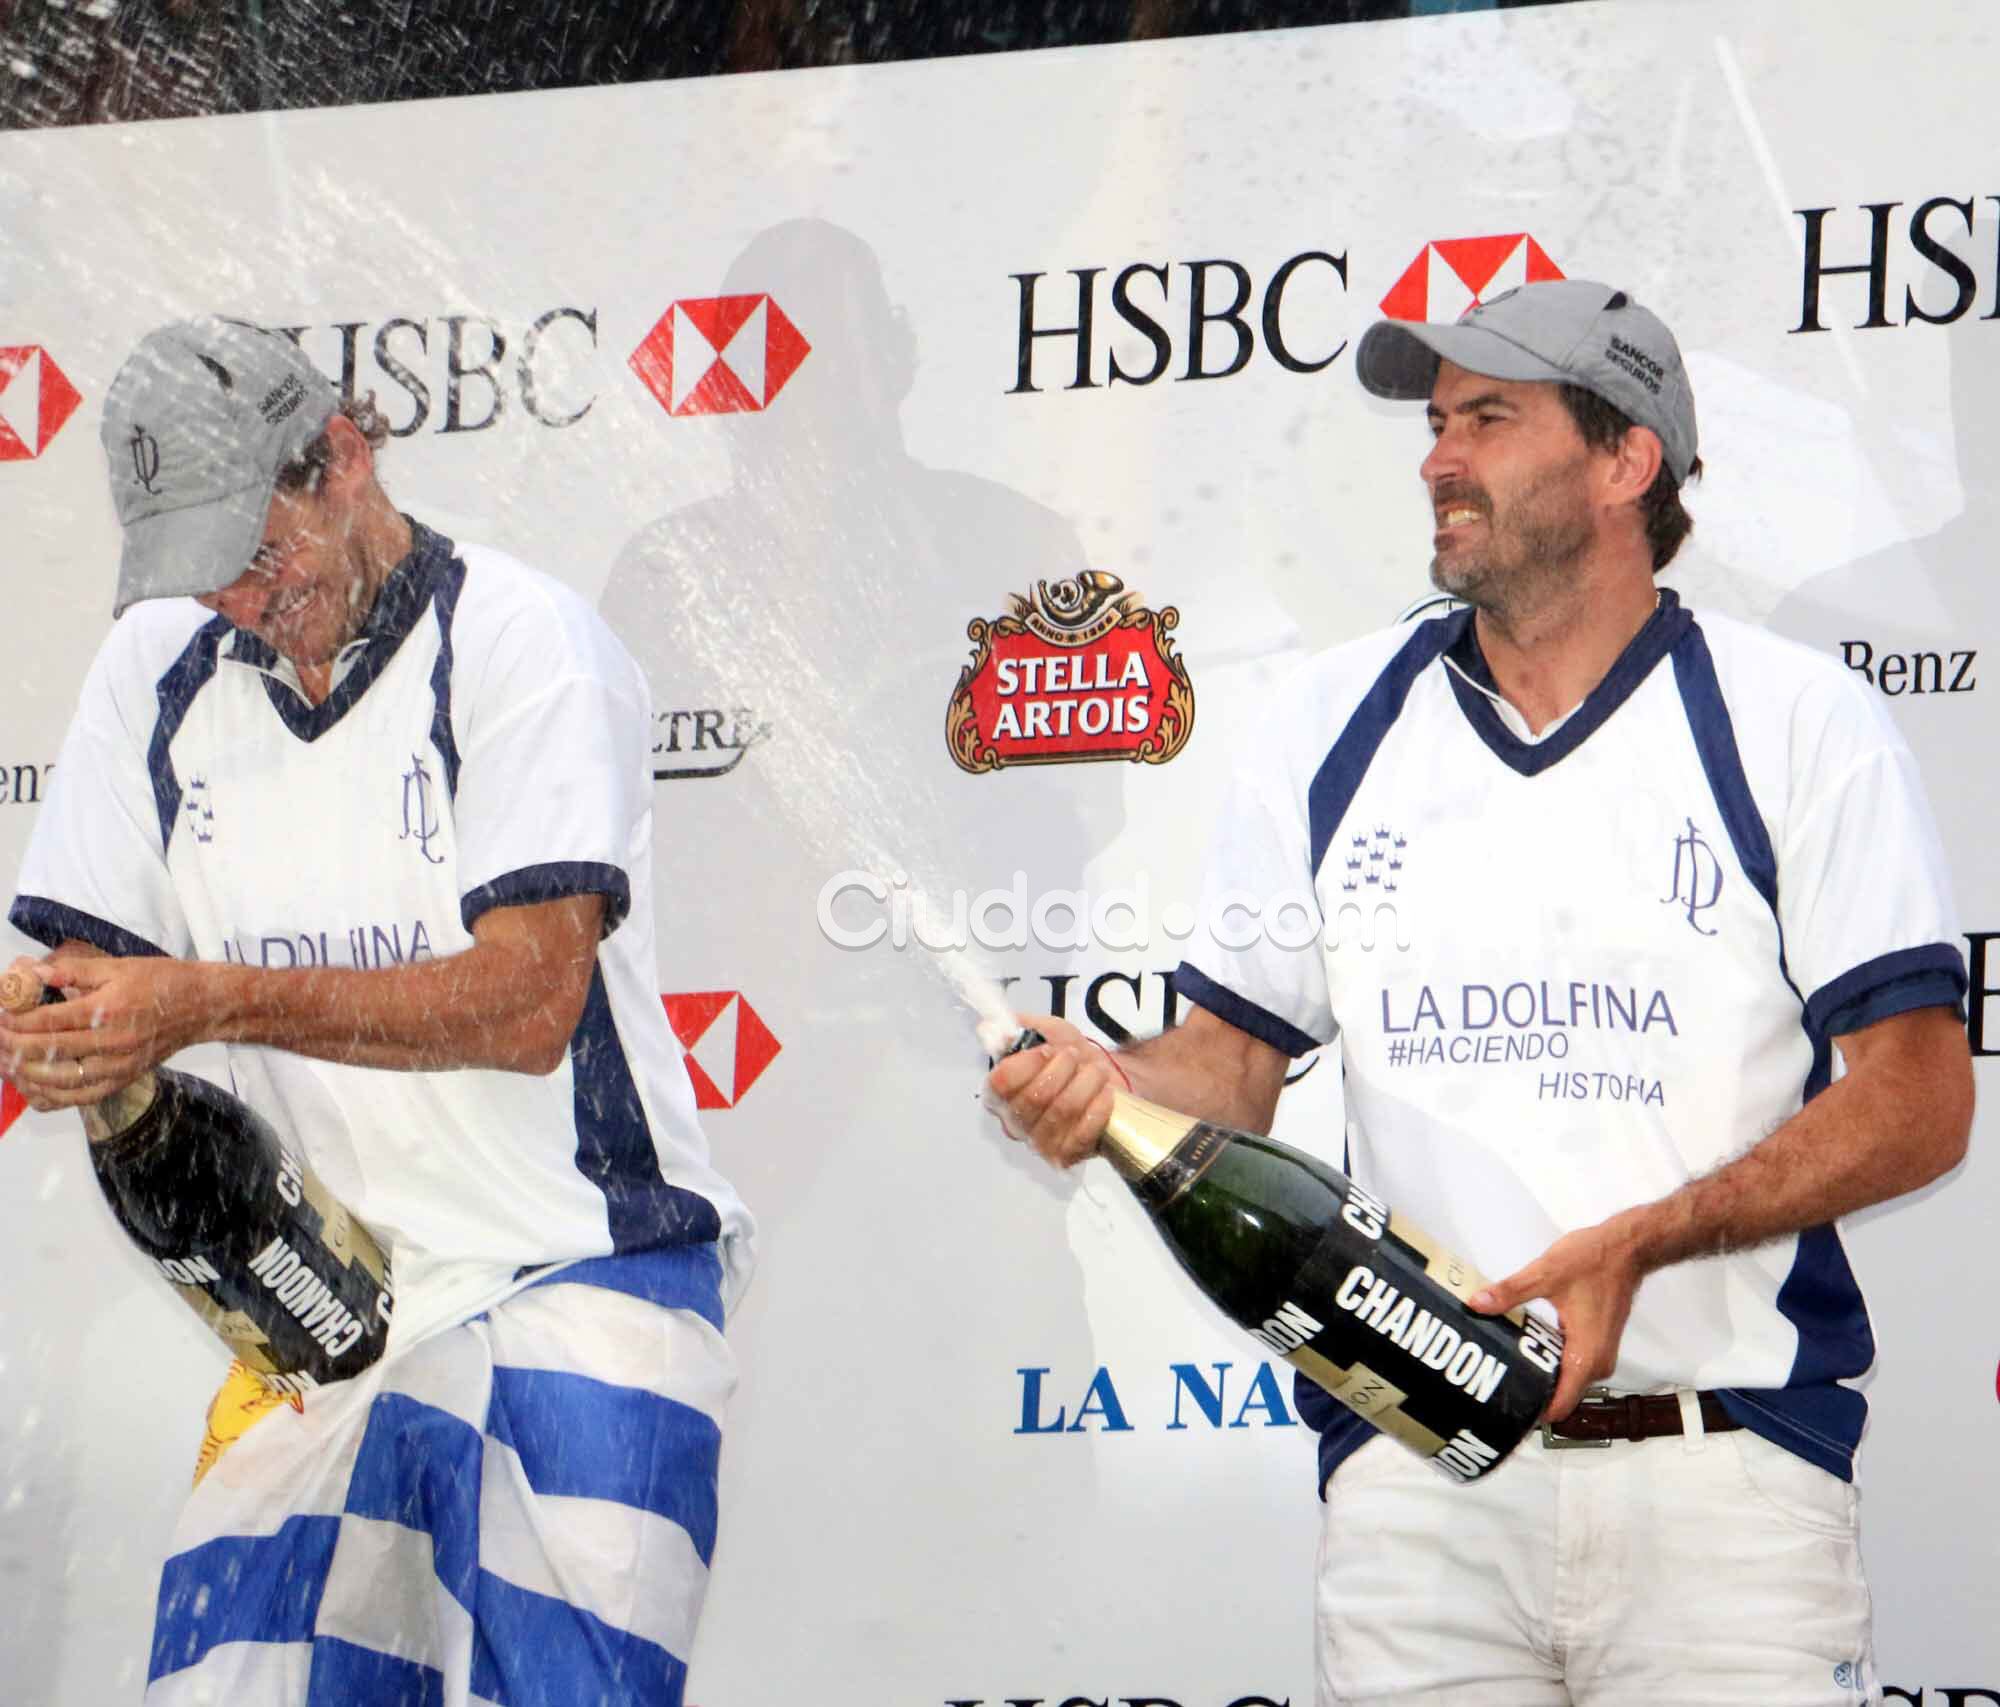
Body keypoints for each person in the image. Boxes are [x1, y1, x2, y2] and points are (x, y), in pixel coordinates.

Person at [987, 278, 1973, 1706]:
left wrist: (1644, 1242)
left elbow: (1920, 1097)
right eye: (1439, 423)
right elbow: (1230, 1067)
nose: (1440, 458)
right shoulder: (1328, 720)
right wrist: (1109, 1090)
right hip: (1418, 1486)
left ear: (1628, 461)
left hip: (1726, 1488)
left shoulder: (1795, 719)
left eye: (1491, 421)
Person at [0, 315, 754, 1706]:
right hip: (322, 1311)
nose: (235, 596)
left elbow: (529, 1002)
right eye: (199, 566)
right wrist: (65, 1031)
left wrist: (201, 1002)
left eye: (256, 550)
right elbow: (72, 978)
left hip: (580, 1272)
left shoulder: (524, 641)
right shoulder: (152, 668)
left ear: (344, 458)